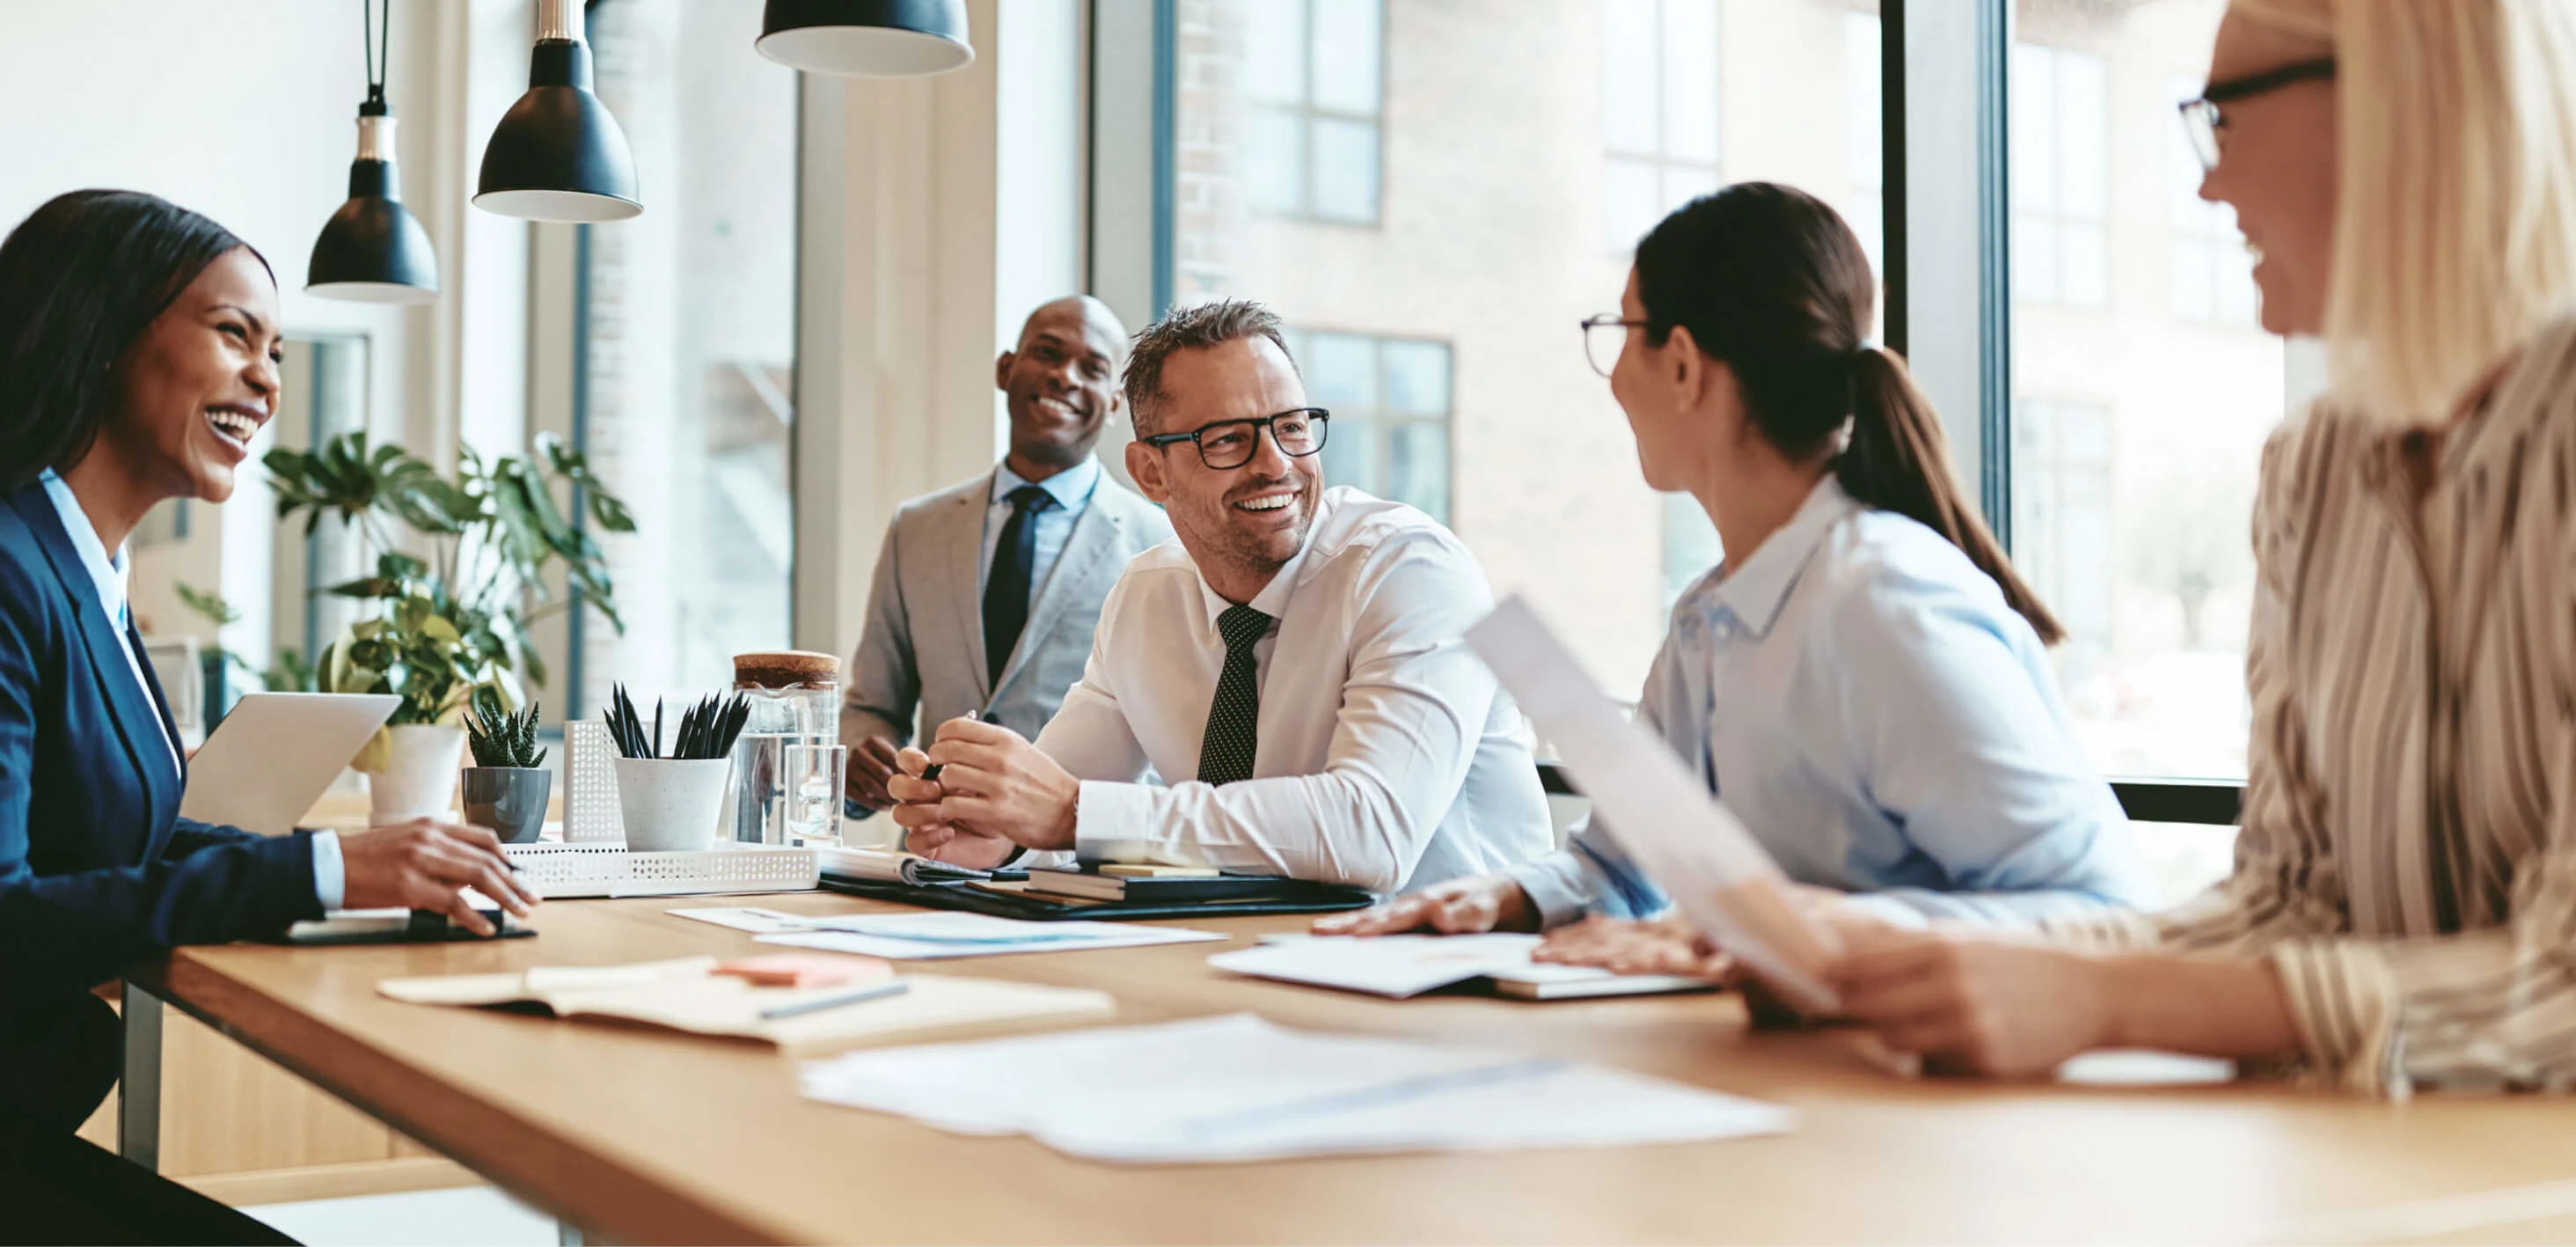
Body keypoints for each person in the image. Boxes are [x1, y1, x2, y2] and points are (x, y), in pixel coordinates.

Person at [1822, 0, 2576, 1093]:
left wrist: (2105, 1001)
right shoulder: (2313, 474)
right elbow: (2288, 904)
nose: (2206, 185)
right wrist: (1915, 965)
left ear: (2394, 100)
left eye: (2221, 118)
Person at [1318, 182, 2149, 953]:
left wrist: (1797, 929)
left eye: (1621, 335)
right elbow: (1621, 868)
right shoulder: (1708, 621)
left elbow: (2099, 911)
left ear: (1682, 365)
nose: (1611, 381)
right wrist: (1502, 898)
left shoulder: (1885, 606)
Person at [0, 190, 537, 1242]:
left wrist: (355, 867)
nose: (268, 379)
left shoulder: (76, 565)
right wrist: (321, 873)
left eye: (280, 352)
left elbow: (112, 828)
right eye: (234, 333)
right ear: (105, 334)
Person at [883, 299, 1554, 891]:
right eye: (1229, 438)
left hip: (1458, 984)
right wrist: (992, 829)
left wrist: (1071, 815)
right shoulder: (1147, 598)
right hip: (1253, 963)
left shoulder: (1411, 570)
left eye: (1291, 425)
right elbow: (1053, 788)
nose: (1277, 464)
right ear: (1151, 471)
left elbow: (1371, 830)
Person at [839, 296, 1175, 816]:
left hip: (1076, 868)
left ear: (1114, 404)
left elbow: (1171, 735)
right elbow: (872, 707)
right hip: (933, 853)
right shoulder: (918, 528)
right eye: (1047, 353)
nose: (1065, 377)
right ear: (1005, 369)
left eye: (1092, 369)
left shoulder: (1160, 542)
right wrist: (859, 759)